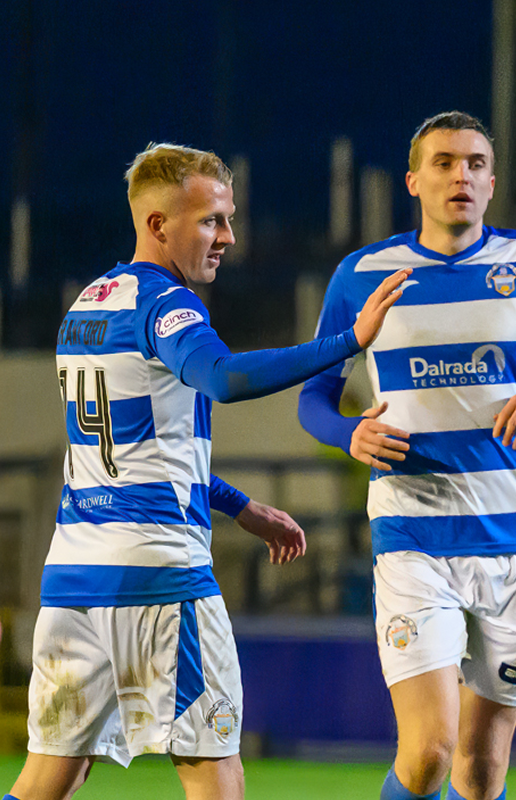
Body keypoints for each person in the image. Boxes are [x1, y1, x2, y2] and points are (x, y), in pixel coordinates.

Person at [11, 143, 408, 800]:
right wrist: (347, 341)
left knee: (48, 778)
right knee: (216, 779)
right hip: (160, 580)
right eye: (210, 221)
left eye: (227, 219)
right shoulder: (169, 307)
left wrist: (237, 504)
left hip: (74, 583)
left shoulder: (87, 304)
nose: (228, 237)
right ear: (157, 224)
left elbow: (136, 452)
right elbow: (222, 377)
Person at [296, 111, 516, 800]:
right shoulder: (363, 275)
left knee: (482, 765)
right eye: (443, 162)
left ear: (492, 181)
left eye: (474, 163)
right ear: (414, 180)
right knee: (430, 752)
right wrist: (347, 433)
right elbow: (313, 400)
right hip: (413, 537)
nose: (460, 175)